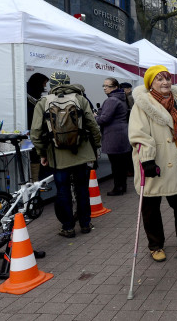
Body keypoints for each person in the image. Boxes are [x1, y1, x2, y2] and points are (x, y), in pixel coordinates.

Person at [128, 65, 177, 262]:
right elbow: (139, 134)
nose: (165, 82)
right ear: (150, 83)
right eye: (159, 79)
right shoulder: (142, 104)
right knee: (150, 207)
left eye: (167, 78)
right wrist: (147, 160)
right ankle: (155, 246)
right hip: (155, 162)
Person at [30, 71, 102, 238]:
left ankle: (68, 227)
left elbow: (35, 132)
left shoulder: (43, 102)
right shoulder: (80, 99)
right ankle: (85, 224)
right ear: (68, 82)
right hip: (81, 153)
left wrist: (42, 153)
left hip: (57, 155)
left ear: (52, 85)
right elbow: (93, 125)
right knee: (82, 188)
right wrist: (95, 146)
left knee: (63, 190)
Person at [96, 77, 132, 196]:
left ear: (115, 87)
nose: (105, 88)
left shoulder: (112, 100)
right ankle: (122, 186)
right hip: (122, 133)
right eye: (104, 86)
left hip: (113, 135)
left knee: (116, 164)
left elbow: (103, 119)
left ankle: (118, 188)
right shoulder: (121, 98)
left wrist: (96, 117)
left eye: (108, 86)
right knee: (121, 164)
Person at [27, 73, 49, 182]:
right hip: (33, 129)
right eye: (44, 83)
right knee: (35, 155)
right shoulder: (30, 95)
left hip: (33, 128)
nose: (45, 86)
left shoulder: (30, 93)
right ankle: (36, 180)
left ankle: (36, 180)